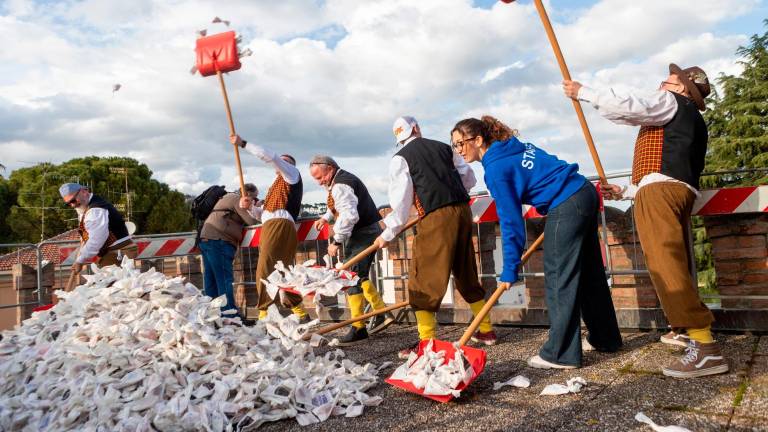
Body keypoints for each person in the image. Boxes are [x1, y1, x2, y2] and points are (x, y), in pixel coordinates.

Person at [563, 63, 728, 378]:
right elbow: (666, 169)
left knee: (666, 264)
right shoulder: (691, 119)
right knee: (675, 261)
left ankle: (705, 349)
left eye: (669, 79)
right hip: (675, 191)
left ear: (682, 87)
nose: (662, 82)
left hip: (663, 194)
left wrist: (585, 93)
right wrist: (626, 190)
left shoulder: (671, 102)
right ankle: (683, 330)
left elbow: (630, 106)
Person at [451, 116, 623, 369]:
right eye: (454, 146)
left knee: (557, 277)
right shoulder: (515, 146)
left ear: (477, 140)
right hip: (583, 192)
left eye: (461, 144)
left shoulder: (496, 169)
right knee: (588, 273)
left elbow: (511, 222)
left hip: (567, 203)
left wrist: (510, 268)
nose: (458, 150)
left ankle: (560, 354)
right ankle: (605, 338)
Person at [374, 116, 496, 359]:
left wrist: (387, 233)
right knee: (465, 269)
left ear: (399, 137)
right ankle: (486, 330)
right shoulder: (444, 147)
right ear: (416, 128)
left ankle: (427, 342)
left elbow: (401, 202)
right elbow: (468, 178)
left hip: (435, 216)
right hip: (462, 209)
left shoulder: (400, 159)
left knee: (424, 275)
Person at [310, 155, 395, 345]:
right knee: (358, 275)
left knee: (351, 277)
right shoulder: (341, 181)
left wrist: (337, 242)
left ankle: (359, 327)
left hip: (361, 233)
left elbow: (349, 215)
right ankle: (381, 312)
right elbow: (339, 207)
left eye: (319, 177)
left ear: (329, 168)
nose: (319, 182)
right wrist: (325, 218)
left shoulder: (341, 185)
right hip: (368, 230)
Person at [231, 134, 310, 322]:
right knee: (283, 270)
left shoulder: (291, 175)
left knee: (265, 268)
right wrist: (249, 206)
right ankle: (299, 311)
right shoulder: (276, 187)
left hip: (278, 226)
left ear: (291, 165)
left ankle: (265, 314)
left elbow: (272, 157)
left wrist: (244, 144)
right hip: (273, 225)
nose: (280, 164)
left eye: (285, 162)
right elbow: (261, 215)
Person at [199, 183, 260, 317]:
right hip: (219, 240)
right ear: (248, 195)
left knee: (211, 280)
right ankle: (230, 315)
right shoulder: (237, 199)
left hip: (207, 238)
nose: (254, 201)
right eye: (254, 198)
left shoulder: (227, 198)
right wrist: (255, 208)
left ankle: (212, 315)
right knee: (224, 279)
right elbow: (251, 221)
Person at [59, 183, 139, 278]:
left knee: (106, 286)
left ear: (84, 192)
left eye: (73, 200)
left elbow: (96, 240)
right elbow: (85, 236)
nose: (72, 205)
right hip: (112, 253)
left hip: (119, 253)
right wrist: (80, 255)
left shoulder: (96, 210)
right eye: (68, 203)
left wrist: (80, 261)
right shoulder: (85, 209)